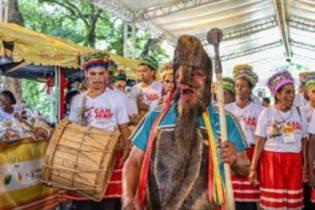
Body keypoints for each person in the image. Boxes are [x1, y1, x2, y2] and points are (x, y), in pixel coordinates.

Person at [122, 35, 250, 210]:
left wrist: (234, 159)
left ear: (207, 82)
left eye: (196, 74)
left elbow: (244, 168)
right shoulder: (156, 118)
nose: (188, 80)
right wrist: (128, 198)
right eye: (182, 74)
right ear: (175, 78)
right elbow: (134, 161)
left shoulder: (224, 120)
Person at [66, 51, 130, 210]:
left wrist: (127, 149)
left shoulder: (116, 98)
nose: (97, 78)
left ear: (107, 74)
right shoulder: (78, 100)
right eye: (93, 73)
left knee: (107, 203)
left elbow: (123, 127)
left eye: (101, 73)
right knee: (83, 204)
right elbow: (72, 127)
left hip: (109, 155)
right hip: (84, 156)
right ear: (86, 74)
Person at [249, 70, 308, 210]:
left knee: (293, 205)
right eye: (287, 92)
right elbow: (260, 143)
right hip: (272, 162)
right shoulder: (267, 113)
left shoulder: (300, 113)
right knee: (274, 205)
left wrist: (304, 163)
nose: (292, 96)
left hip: (294, 162)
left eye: (292, 92)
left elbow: (304, 141)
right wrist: (253, 168)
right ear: (277, 94)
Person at [225, 68, 262, 210]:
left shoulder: (258, 110)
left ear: (251, 89)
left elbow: (260, 137)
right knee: (232, 196)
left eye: (243, 85)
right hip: (232, 153)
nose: (239, 88)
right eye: (237, 85)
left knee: (249, 199)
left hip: (250, 153)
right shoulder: (226, 109)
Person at [300, 76, 315, 209]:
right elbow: (306, 141)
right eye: (314, 91)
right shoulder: (301, 111)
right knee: (308, 186)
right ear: (307, 93)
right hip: (306, 153)